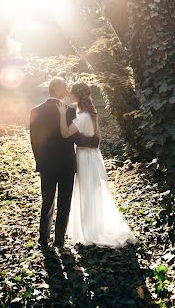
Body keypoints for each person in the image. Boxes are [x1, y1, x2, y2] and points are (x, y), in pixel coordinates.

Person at [57, 81, 136, 248]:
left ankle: (90, 232)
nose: (70, 95)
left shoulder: (84, 117)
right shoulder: (91, 114)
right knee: (92, 192)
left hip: (85, 157)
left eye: (72, 92)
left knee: (86, 192)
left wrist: (62, 114)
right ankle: (93, 227)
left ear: (77, 95)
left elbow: (64, 134)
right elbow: (97, 138)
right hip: (92, 156)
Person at [30, 77, 100, 248]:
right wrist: (93, 142)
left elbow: (34, 141)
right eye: (65, 88)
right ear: (57, 89)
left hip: (46, 164)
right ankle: (59, 241)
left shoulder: (35, 111)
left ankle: (43, 238)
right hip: (67, 164)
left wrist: (40, 161)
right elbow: (75, 137)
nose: (67, 91)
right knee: (64, 202)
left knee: (47, 201)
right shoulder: (69, 111)